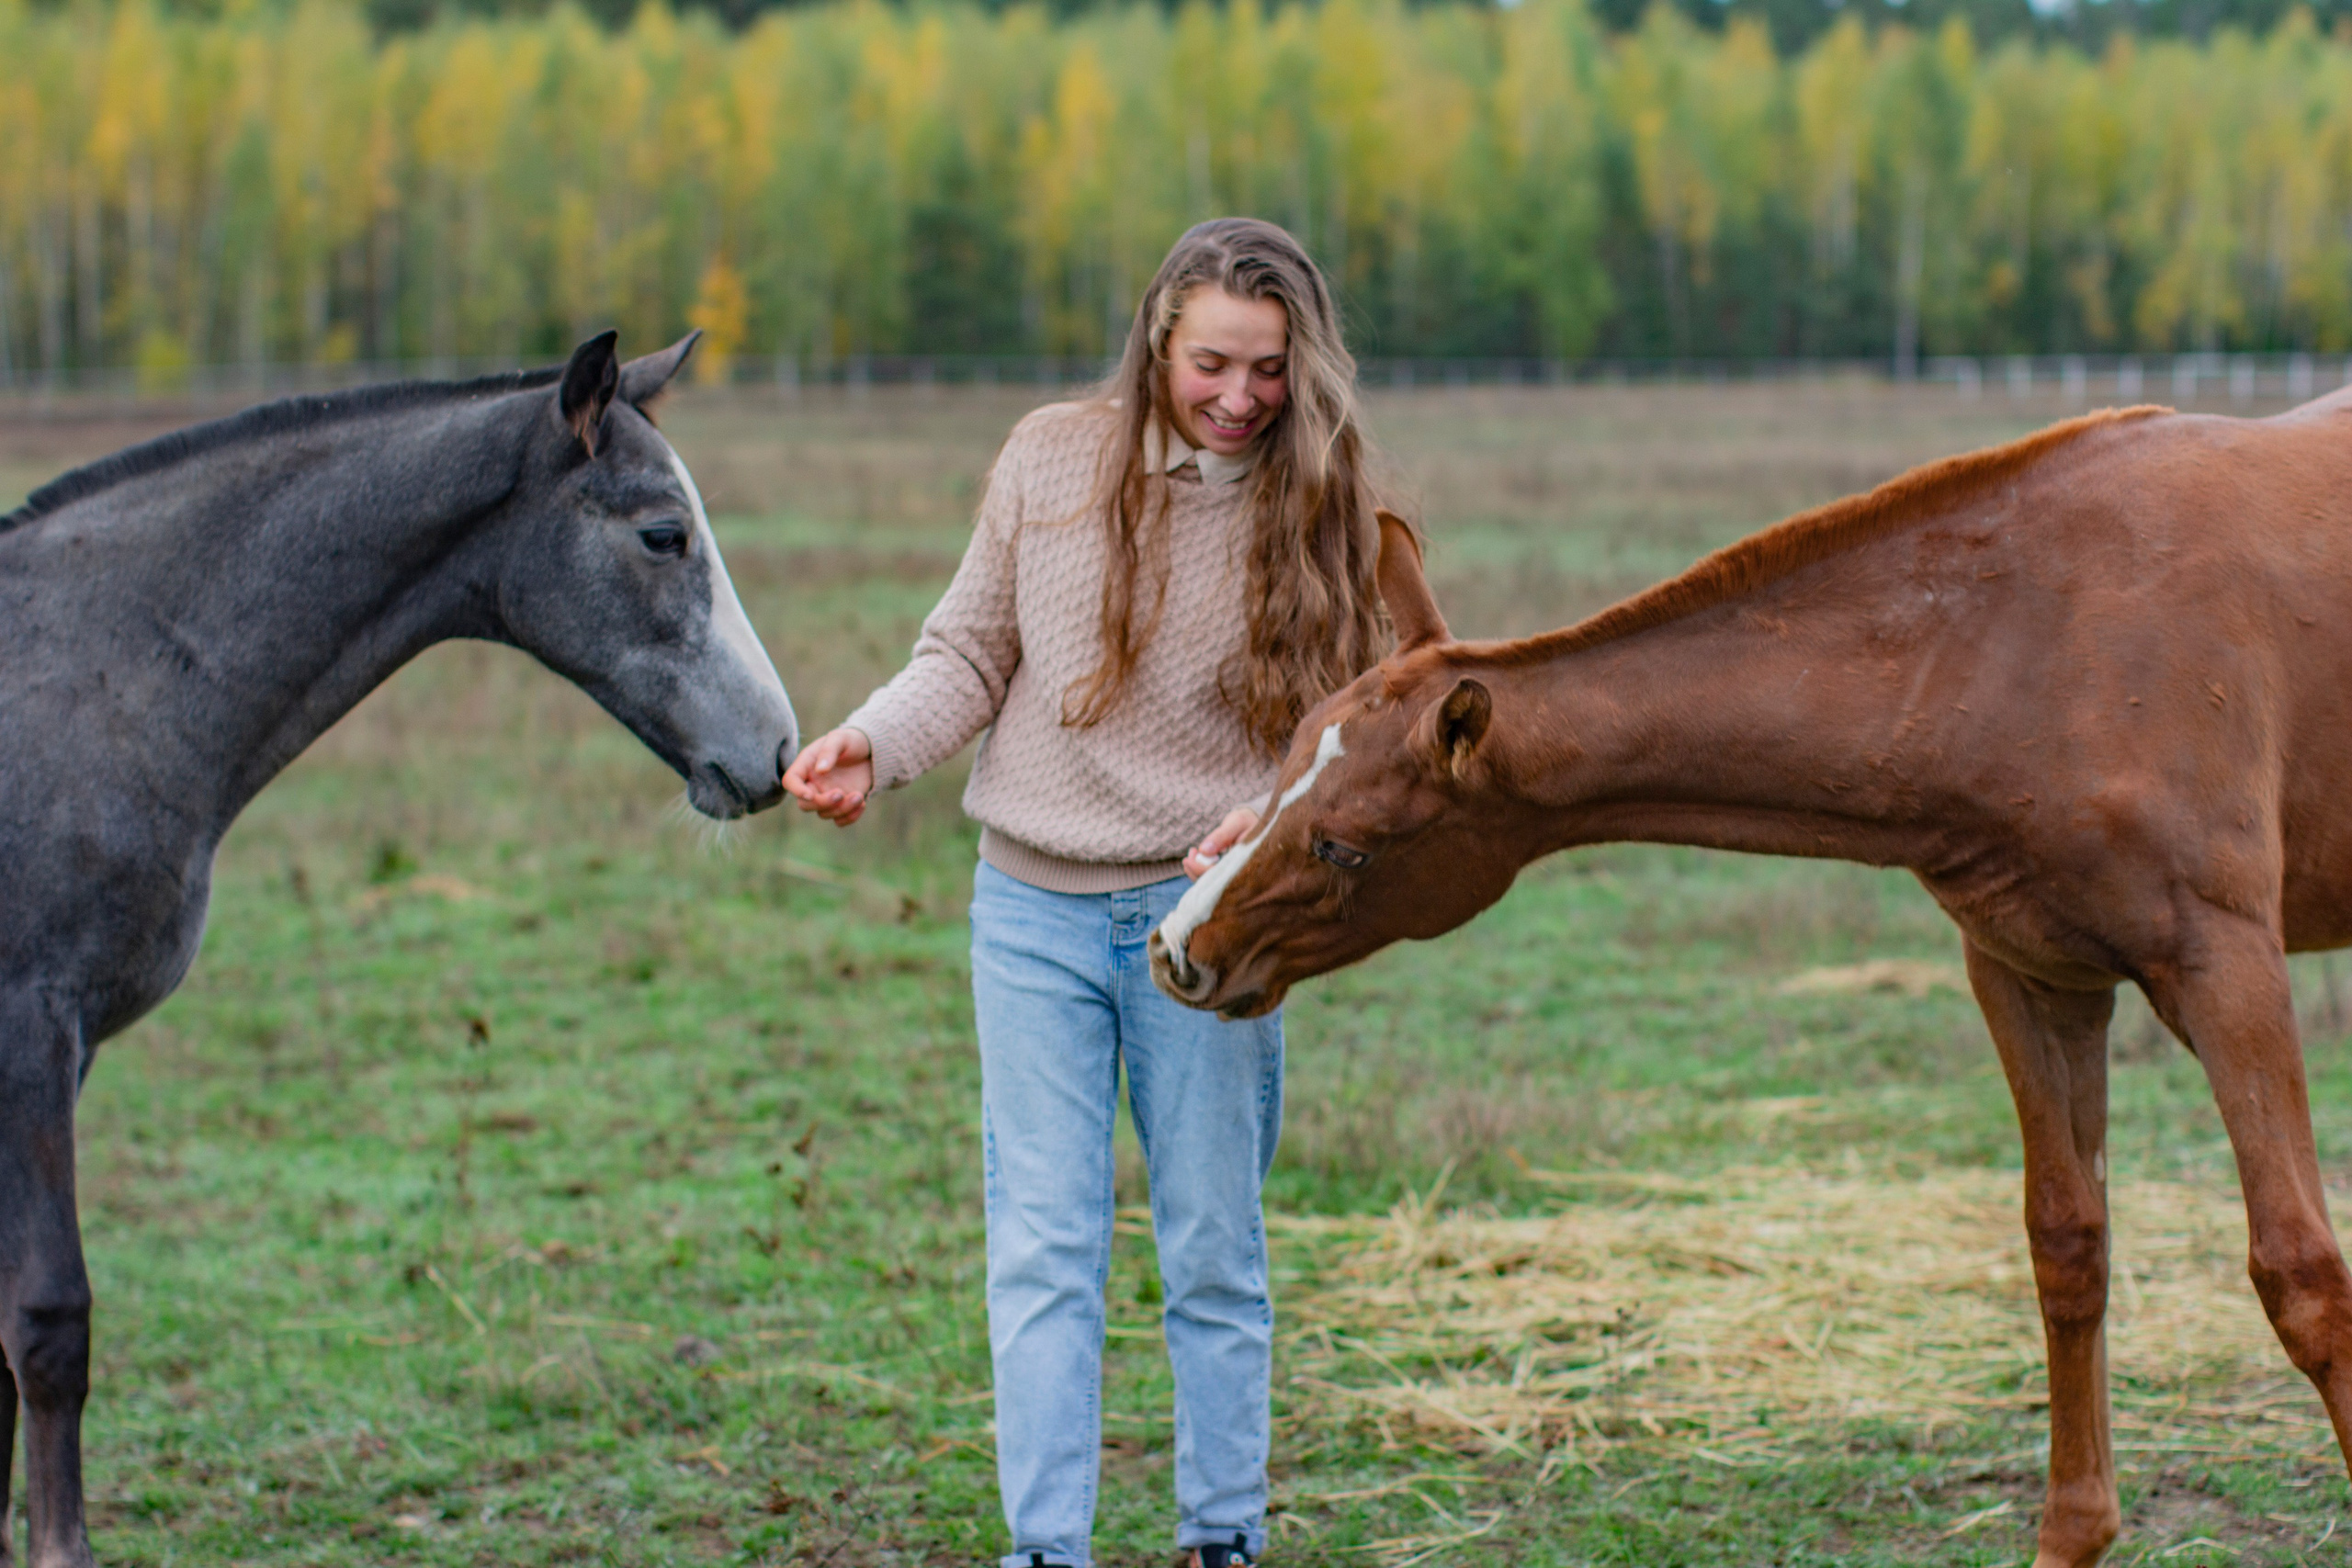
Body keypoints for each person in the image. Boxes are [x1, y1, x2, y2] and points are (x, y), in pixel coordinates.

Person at [782, 218, 1390, 1568]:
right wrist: (873, 744)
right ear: (1158, 338)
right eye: (1215, 364)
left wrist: (1273, 811)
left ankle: (1220, 1537)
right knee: (1046, 1252)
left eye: (1272, 371)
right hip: (1031, 918)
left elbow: (1355, 720)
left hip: (1206, 927)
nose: (1243, 399)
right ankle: (1044, 1549)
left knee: (1213, 1252)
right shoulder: (1049, 456)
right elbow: (969, 650)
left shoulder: (1322, 496)